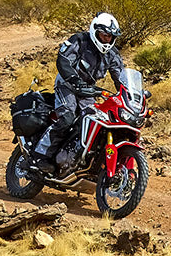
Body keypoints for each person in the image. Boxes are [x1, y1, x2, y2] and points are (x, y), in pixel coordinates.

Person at [29, 12, 126, 174]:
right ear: (95, 32)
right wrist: (74, 80)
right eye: (104, 35)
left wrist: (131, 93)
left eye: (110, 36)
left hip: (88, 91)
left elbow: (120, 77)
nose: (107, 39)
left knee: (92, 121)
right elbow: (63, 60)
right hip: (67, 84)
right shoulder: (79, 41)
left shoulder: (112, 54)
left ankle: (76, 159)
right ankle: (40, 156)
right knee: (67, 117)